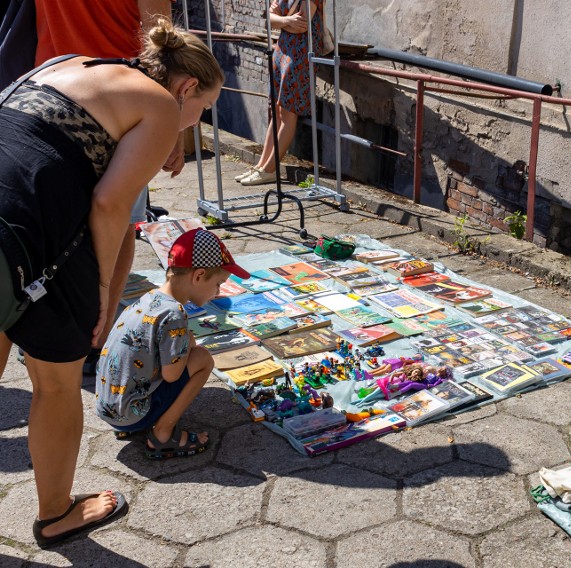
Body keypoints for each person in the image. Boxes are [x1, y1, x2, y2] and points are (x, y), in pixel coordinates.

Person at [0, 20, 223, 547]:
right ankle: (55, 513)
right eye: (202, 111)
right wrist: (102, 292)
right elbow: (109, 208)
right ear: (187, 88)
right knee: (56, 384)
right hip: (23, 233)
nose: (194, 124)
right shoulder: (163, 105)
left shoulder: (74, 62)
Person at [33, 0, 185, 374]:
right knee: (118, 225)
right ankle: (94, 339)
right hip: (121, 102)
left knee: (57, 225)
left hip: (52, 88)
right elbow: (164, 45)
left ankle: (42, 331)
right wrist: (173, 121)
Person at [95, 228, 248, 458]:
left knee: (191, 350)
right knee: (203, 359)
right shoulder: (174, 314)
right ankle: (163, 435)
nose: (218, 292)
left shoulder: (148, 299)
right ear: (198, 276)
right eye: (218, 283)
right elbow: (172, 375)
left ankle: (139, 424)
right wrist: (188, 346)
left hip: (109, 409)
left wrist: (185, 341)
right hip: (131, 415)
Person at [236, 0, 326, 185]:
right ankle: (261, 166)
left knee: (288, 111)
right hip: (283, 47)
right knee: (276, 109)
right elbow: (268, 21)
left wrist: (281, 20)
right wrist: (286, 21)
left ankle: (269, 169)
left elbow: (301, 25)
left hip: (302, 52)